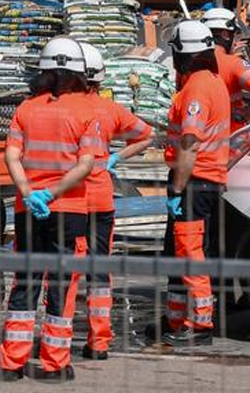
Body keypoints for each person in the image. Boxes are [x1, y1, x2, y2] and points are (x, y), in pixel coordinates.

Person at [0, 36, 101, 383]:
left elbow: (12, 155)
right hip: (69, 208)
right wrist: (52, 193)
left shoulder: (26, 108)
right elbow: (86, 165)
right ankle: (54, 364)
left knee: (25, 280)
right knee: (62, 283)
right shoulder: (86, 111)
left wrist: (29, 193)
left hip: (29, 209)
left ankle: (12, 363)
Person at [77, 42, 151, 361]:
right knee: (99, 271)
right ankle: (99, 341)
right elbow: (147, 135)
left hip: (71, 201)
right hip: (102, 200)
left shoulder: (61, 107)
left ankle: (58, 338)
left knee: (65, 270)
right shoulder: (110, 109)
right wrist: (117, 157)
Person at [160, 19, 231, 348]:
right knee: (178, 252)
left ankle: (200, 325)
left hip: (194, 181)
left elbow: (189, 142)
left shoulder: (197, 90)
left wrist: (177, 188)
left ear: (182, 54)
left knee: (189, 253)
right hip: (202, 180)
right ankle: (176, 320)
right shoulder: (211, 82)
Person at [202, 7, 250, 128]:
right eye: (235, 35)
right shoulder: (234, 63)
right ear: (225, 34)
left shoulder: (190, 63)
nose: (235, 41)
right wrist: (248, 112)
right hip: (230, 136)